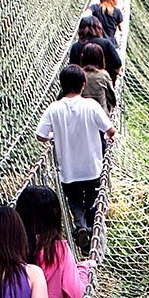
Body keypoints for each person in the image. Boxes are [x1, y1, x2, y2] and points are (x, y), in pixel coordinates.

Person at [36, 65, 115, 253]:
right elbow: (110, 131)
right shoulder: (91, 106)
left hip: (68, 171)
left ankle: (80, 227)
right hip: (92, 168)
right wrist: (104, 138)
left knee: (75, 203)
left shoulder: (54, 109)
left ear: (62, 85)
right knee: (92, 203)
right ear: (83, 84)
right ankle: (88, 234)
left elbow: (40, 135)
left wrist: (55, 136)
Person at [69, 16, 121, 84]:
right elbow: (117, 64)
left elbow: (73, 69)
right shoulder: (106, 43)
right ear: (98, 28)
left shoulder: (76, 46)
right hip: (104, 83)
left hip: (82, 86)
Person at [81, 43, 117, 114]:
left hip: (80, 116)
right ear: (101, 58)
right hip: (101, 116)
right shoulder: (103, 75)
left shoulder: (78, 74)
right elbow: (112, 99)